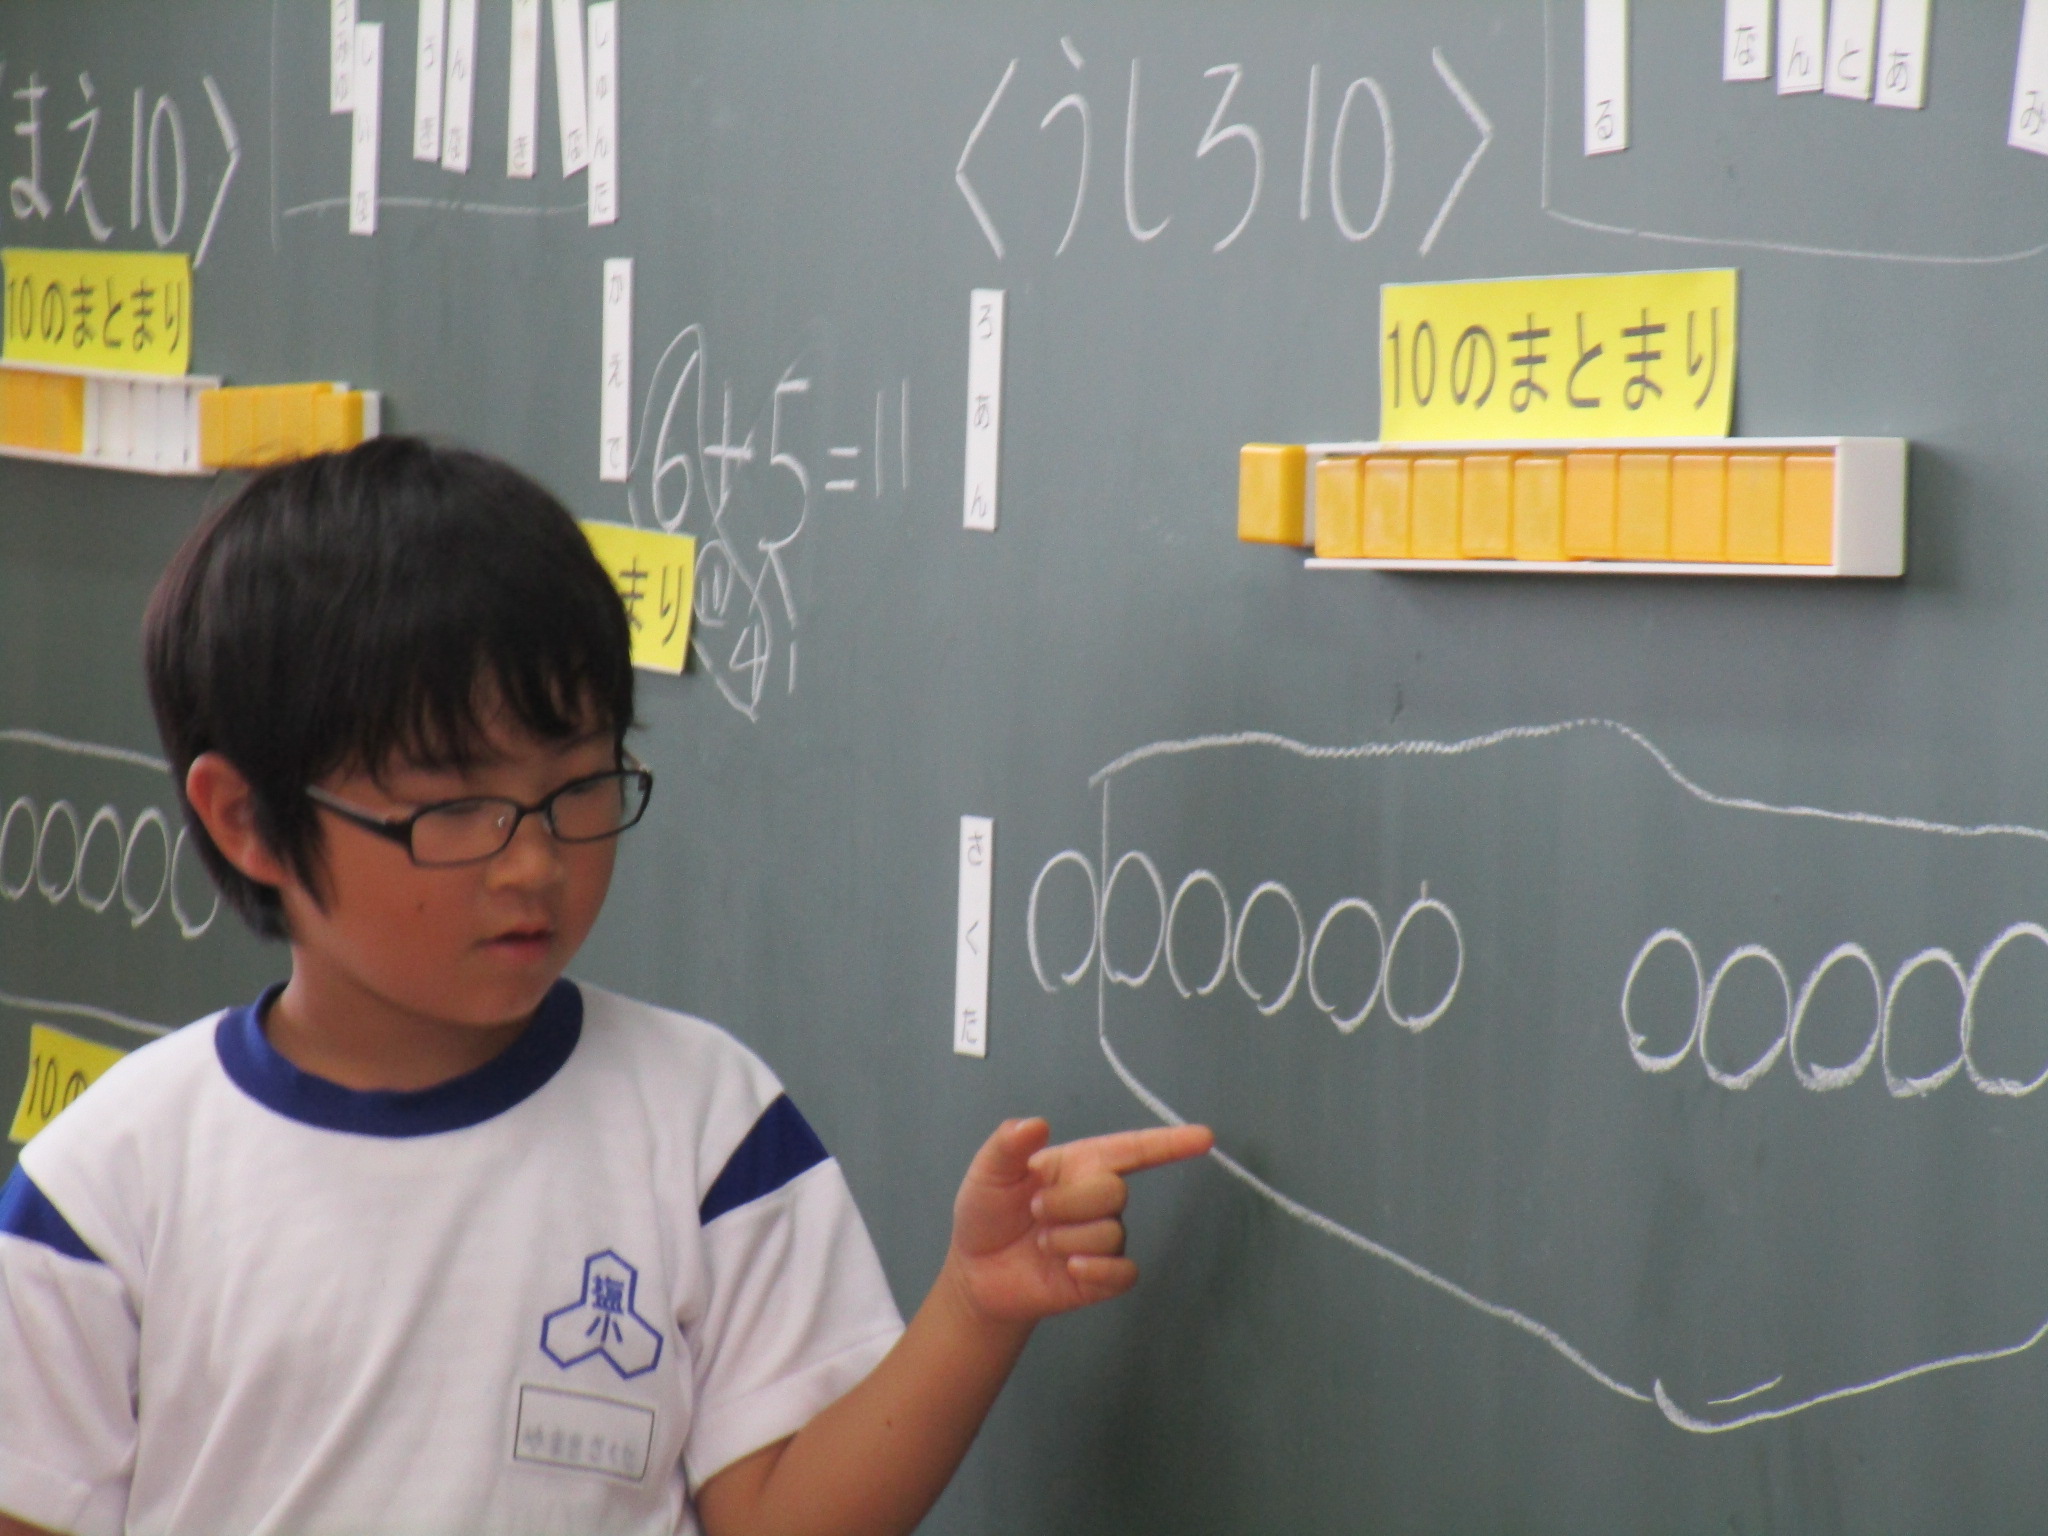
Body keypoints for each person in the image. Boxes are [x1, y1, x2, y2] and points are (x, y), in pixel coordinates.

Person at [0, 439, 1211, 1536]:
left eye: (578, 785)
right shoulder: (108, 1186)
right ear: (248, 820)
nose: (534, 862)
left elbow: (781, 1519)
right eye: (455, 807)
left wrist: (974, 1306)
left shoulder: (703, 1123)